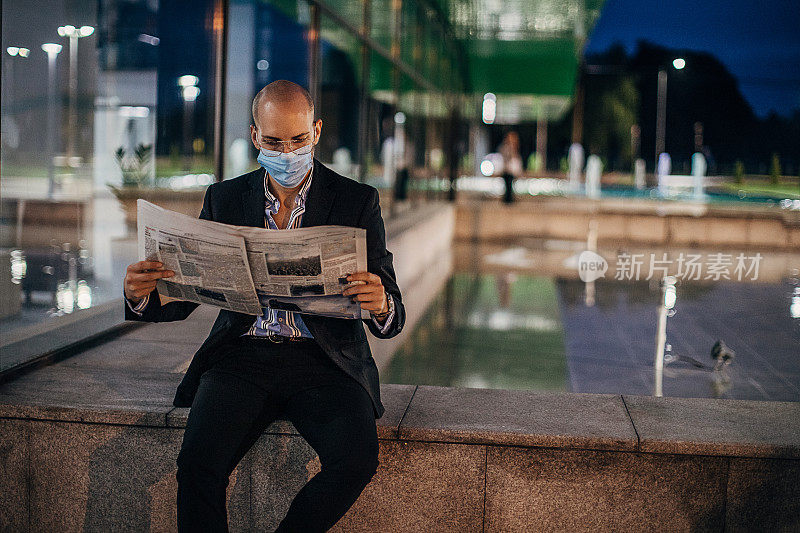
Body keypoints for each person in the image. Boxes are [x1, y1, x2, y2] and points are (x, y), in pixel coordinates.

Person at [122, 80, 405, 532]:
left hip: (324, 361)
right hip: (242, 358)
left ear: (316, 132)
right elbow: (185, 295)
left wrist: (381, 302)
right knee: (197, 466)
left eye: (298, 140)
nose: (288, 151)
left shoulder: (356, 200)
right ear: (255, 137)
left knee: (356, 459)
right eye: (274, 141)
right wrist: (141, 295)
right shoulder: (226, 198)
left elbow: (391, 309)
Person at [498, 131, 522, 204]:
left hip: (512, 169)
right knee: (507, 184)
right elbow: (505, 157)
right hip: (507, 169)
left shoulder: (515, 147)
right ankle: (507, 199)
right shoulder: (505, 147)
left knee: (510, 184)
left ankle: (509, 198)